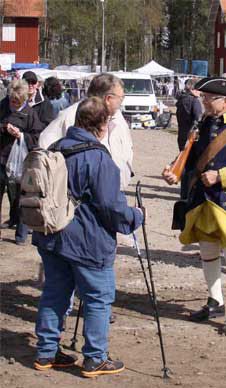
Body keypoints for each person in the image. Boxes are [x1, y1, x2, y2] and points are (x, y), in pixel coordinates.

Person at [32, 97, 143, 377]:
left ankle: (46, 352)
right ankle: (95, 358)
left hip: (51, 235)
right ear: (103, 125)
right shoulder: (99, 158)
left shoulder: (55, 147)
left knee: (55, 293)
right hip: (87, 240)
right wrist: (136, 216)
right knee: (98, 297)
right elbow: (111, 208)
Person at [163, 77, 226, 336]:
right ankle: (215, 301)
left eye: (209, 98)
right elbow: (191, 158)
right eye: (204, 97)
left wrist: (221, 176)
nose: (204, 102)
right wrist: (175, 171)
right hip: (203, 201)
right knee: (207, 253)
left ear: (225, 102)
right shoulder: (202, 125)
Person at [39, 74, 134, 190]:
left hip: (113, 195)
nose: (121, 102)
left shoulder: (118, 118)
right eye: (121, 98)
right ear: (108, 99)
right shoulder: (71, 116)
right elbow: (44, 148)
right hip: (83, 199)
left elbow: (128, 150)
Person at [0, 79, 44, 244]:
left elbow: (37, 136)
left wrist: (21, 136)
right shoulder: (2, 106)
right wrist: (4, 128)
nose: (14, 104)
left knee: (21, 197)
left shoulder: (30, 114)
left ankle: (21, 234)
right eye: (12, 101)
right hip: (2, 158)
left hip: (21, 162)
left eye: (17, 102)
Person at [175, 78, 203, 152]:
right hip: (190, 134)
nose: (200, 92)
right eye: (198, 89)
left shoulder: (181, 99)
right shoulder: (194, 101)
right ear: (193, 89)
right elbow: (198, 117)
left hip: (181, 133)